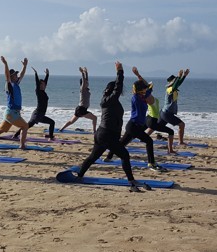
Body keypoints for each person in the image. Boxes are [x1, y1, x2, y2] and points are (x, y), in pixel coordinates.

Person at [70, 62, 150, 192]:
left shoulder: (107, 99)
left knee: (93, 157)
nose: (119, 92)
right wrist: (120, 71)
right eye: (117, 90)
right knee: (124, 155)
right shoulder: (110, 99)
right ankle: (131, 180)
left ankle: (79, 176)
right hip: (107, 135)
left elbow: (118, 89)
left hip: (104, 134)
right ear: (112, 90)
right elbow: (118, 87)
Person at [106, 66, 165, 172]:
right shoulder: (136, 98)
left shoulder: (143, 95)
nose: (146, 89)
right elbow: (145, 87)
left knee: (121, 143)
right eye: (144, 88)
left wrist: (138, 75)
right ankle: (151, 163)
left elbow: (148, 85)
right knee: (149, 141)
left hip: (135, 126)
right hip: (134, 126)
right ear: (139, 90)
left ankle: (108, 157)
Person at [0, 56, 30, 150]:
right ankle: (22, 145)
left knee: (0, 130)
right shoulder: (9, 84)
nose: (17, 76)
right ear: (11, 77)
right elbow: (7, 75)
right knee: (25, 126)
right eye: (15, 75)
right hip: (12, 112)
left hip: (10, 113)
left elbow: (21, 75)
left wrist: (25, 66)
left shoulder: (16, 83)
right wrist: (5, 64)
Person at [58, 66, 97, 133]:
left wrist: (86, 73)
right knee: (94, 118)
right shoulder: (82, 89)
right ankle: (94, 131)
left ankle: (61, 129)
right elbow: (84, 81)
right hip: (81, 109)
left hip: (80, 109)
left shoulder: (86, 89)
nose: (87, 83)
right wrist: (82, 73)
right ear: (82, 84)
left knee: (71, 121)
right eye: (86, 82)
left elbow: (86, 80)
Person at [161, 69, 190, 147]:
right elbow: (175, 85)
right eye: (174, 81)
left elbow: (178, 84)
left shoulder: (173, 88)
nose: (176, 82)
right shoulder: (169, 89)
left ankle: (142, 137)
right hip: (167, 113)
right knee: (182, 125)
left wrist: (184, 76)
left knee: (154, 126)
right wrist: (179, 76)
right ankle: (180, 142)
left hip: (165, 113)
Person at [25, 67, 56, 140]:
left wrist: (47, 74)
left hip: (40, 114)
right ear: (39, 85)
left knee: (51, 123)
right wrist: (36, 73)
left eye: (44, 84)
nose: (44, 85)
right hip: (38, 114)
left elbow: (45, 82)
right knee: (27, 126)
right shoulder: (38, 92)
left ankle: (51, 136)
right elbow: (37, 82)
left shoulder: (43, 91)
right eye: (42, 84)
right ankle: (16, 135)